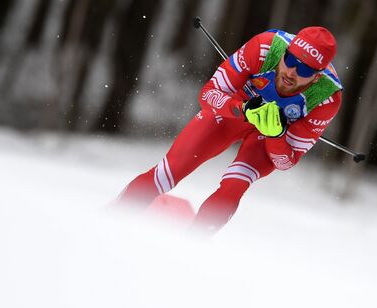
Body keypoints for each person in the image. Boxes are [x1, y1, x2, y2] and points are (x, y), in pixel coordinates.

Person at [116, 26, 343, 234]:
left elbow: (285, 161)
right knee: (171, 169)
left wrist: (276, 134)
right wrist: (241, 109)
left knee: (235, 184)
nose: (291, 72)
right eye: (290, 59)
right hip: (234, 110)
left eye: (303, 69)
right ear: (284, 52)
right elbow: (207, 94)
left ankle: (192, 243)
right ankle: (112, 220)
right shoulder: (265, 47)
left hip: (268, 136)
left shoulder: (326, 98)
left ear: (316, 77)